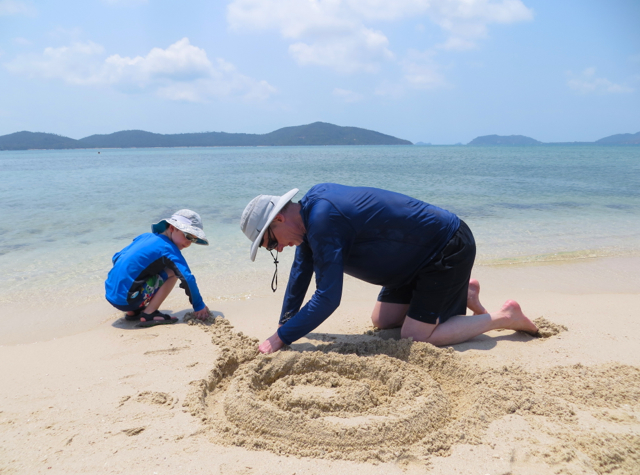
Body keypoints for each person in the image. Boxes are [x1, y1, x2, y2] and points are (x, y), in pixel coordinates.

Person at [240, 183, 538, 354]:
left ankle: (504, 316)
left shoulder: (323, 220)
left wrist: (281, 339)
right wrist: (285, 323)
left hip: (446, 247)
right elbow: (300, 271)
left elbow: (328, 296)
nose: (277, 250)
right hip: (410, 263)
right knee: (381, 320)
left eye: (269, 244)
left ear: (278, 220)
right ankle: (465, 292)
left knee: (416, 337)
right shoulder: (310, 214)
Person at [105, 209, 211, 327]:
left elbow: (117, 258)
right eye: (187, 236)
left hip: (111, 294)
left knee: (150, 267)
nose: (188, 243)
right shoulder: (169, 249)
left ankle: (133, 311)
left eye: (193, 239)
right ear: (172, 228)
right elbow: (188, 278)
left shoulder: (144, 237)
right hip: (128, 299)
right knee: (173, 272)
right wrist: (199, 305)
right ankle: (149, 313)